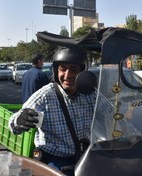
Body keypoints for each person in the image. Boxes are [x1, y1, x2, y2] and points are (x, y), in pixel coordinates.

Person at [9, 47, 96, 176]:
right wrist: (19, 120)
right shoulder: (46, 95)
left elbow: (112, 116)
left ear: (82, 72)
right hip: (56, 161)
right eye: (63, 69)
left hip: (86, 158)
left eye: (73, 69)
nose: (67, 75)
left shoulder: (91, 94)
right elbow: (13, 124)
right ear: (56, 71)